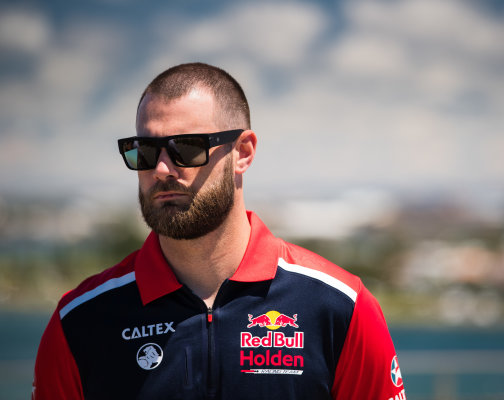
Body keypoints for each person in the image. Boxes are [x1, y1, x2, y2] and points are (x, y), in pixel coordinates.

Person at [33, 62, 406, 400]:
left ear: (243, 152)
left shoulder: (340, 305)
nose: (161, 169)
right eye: (145, 150)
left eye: (185, 148)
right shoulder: (80, 321)